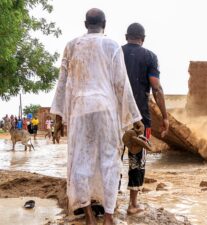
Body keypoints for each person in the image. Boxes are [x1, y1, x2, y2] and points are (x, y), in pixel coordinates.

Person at [50, 8, 142, 225]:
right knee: (109, 161)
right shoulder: (111, 45)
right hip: (105, 109)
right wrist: (136, 118)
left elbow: (62, 83)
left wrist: (58, 118)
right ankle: (108, 216)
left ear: (85, 24)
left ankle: (90, 216)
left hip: (80, 109)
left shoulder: (72, 46)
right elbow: (122, 83)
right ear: (105, 24)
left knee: (80, 162)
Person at [122, 22, 169, 214]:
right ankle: (133, 204)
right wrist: (165, 117)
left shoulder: (115, 53)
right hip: (140, 118)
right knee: (137, 159)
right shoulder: (150, 56)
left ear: (126, 36)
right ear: (143, 39)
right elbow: (156, 88)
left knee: (111, 158)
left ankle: (107, 202)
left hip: (114, 116)